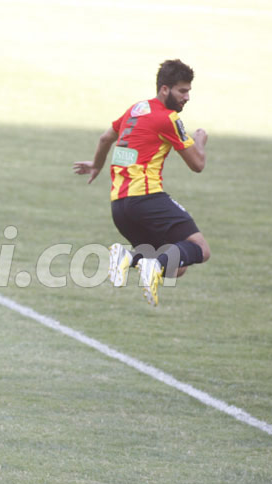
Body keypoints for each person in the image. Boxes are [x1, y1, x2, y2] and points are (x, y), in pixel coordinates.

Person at [72, 59, 210, 305]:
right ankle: (148, 263)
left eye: (189, 91)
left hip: (120, 207)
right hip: (147, 199)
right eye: (182, 90)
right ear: (164, 89)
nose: (187, 97)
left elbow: (106, 139)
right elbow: (197, 164)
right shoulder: (167, 118)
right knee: (200, 249)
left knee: (177, 266)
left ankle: (129, 257)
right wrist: (200, 139)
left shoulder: (135, 110)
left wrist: (96, 165)